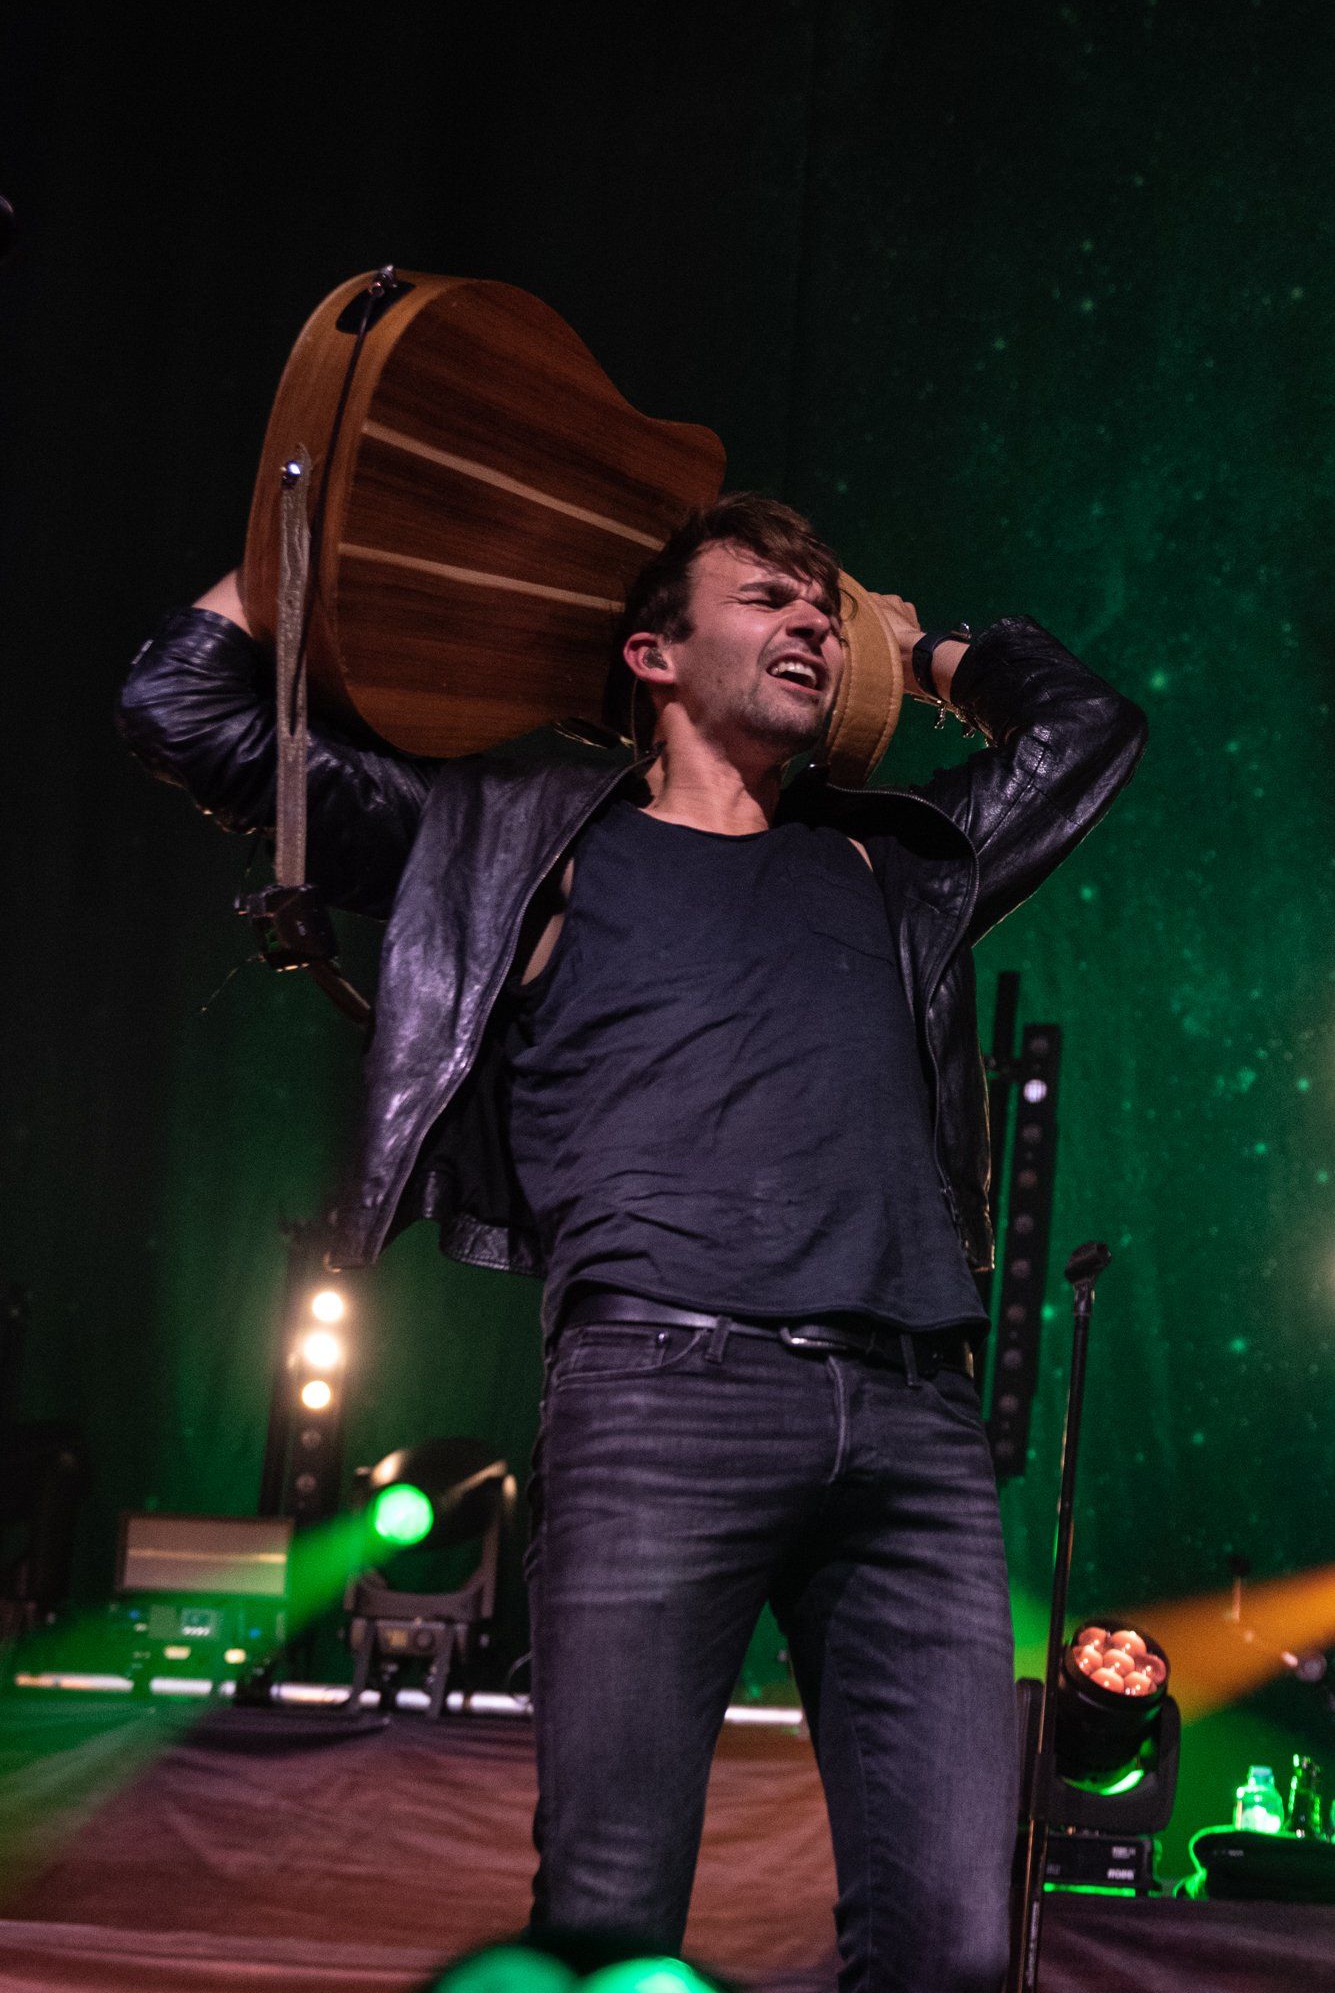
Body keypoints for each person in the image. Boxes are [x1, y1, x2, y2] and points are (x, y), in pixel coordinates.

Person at [119, 492, 1147, 1993]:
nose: (811, 620)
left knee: (951, 1943)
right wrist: (322, 513)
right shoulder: (521, 849)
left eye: (823, 606)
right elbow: (184, 710)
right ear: (652, 656)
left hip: (916, 1429)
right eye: (767, 599)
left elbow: (1088, 731)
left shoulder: (893, 865)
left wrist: (922, 652)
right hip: (664, 1403)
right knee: (610, 1917)